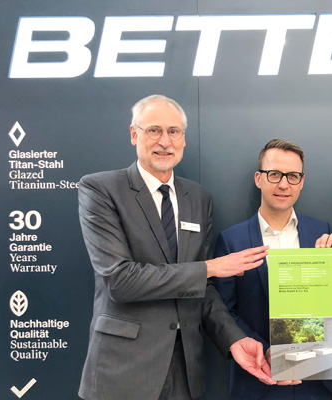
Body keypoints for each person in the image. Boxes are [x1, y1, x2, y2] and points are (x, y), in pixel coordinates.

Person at [77, 95, 275, 400]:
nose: (165, 141)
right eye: (154, 130)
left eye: (173, 131)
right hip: (123, 372)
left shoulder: (199, 198)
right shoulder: (101, 189)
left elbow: (202, 288)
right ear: (134, 134)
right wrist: (210, 268)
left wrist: (235, 340)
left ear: (183, 139)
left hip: (186, 372)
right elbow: (121, 280)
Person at [213, 139, 332, 400]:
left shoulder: (322, 232)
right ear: (259, 179)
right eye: (274, 174)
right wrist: (265, 350)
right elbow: (225, 312)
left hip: (319, 383)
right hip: (260, 382)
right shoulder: (231, 240)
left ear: (301, 181)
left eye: (293, 176)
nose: (284, 184)